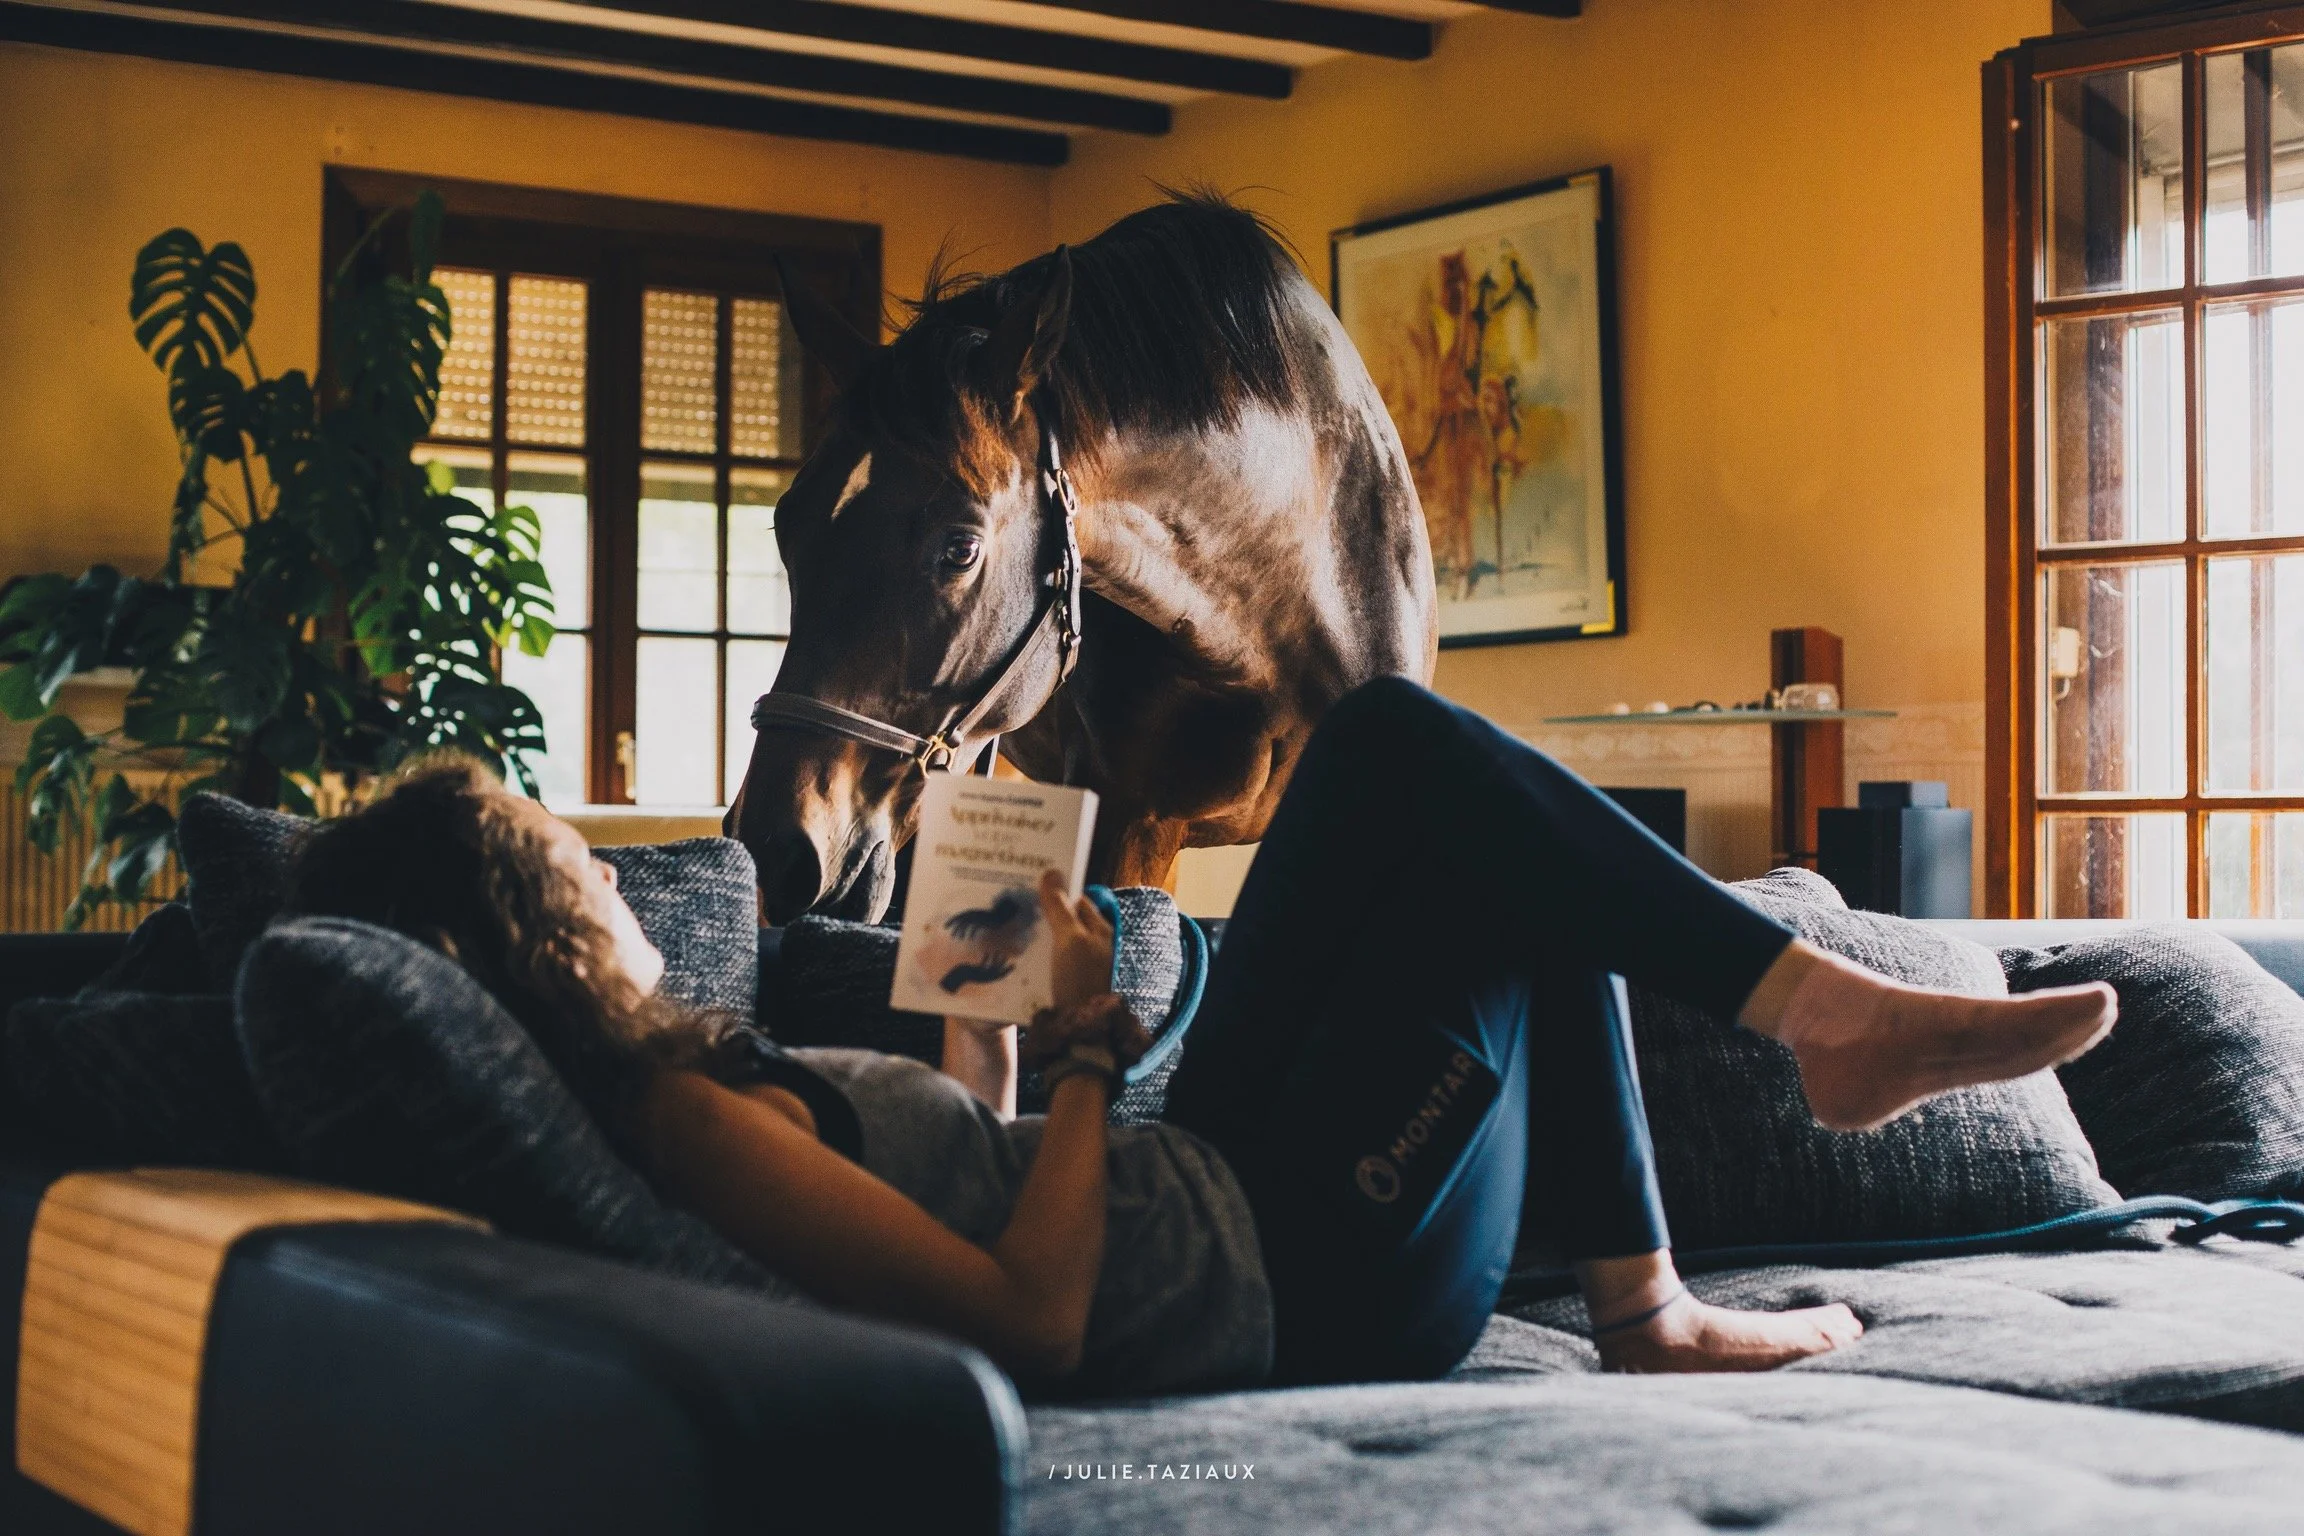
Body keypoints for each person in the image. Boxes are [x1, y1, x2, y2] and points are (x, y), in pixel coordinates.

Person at [287, 679, 2116, 1395]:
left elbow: (970, 1180)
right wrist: (1092, 1049)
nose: (612, 884)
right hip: (1297, 1275)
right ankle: (1813, 1039)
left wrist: (992, 1013)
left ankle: (1690, 1238)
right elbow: (1029, 1321)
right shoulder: (684, 1130)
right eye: (571, 867)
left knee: (1399, 754)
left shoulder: (699, 1099)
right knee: (1464, 830)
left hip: (1219, 1184)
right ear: (535, 929)